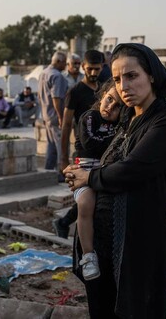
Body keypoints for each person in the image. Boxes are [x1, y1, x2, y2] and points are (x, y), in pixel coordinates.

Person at [64, 43, 166, 318]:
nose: (123, 86)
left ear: (152, 75)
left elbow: (132, 169)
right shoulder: (126, 120)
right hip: (104, 241)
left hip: (136, 244)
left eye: (132, 76)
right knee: (103, 308)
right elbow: (101, 158)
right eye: (118, 79)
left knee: (135, 309)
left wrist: (88, 176)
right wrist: (77, 173)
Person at [72, 81, 123, 280]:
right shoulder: (89, 117)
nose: (110, 107)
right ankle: (87, 256)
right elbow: (90, 143)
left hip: (104, 171)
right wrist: (114, 141)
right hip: (83, 170)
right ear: (102, 96)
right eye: (109, 99)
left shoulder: (120, 125)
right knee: (85, 204)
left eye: (117, 105)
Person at [54, 50, 104, 238]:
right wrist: (63, 159)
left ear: (102, 67)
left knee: (95, 194)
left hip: (102, 149)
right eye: (89, 68)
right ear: (83, 67)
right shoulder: (75, 92)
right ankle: (65, 222)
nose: (93, 72)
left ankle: (64, 222)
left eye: (96, 69)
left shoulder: (103, 90)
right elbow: (66, 126)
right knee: (86, 194)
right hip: (83, 152)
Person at [37, 51, 68, 175]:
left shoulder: (43, 73)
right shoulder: (57, 76)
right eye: (64, 63)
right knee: (61, 147)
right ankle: (61, 173)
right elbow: (56, 98)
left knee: (51, 146)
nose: (65, 65)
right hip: (55, 115)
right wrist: (61, 117)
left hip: (46, 114)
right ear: (58, 62)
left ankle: (48, 172)